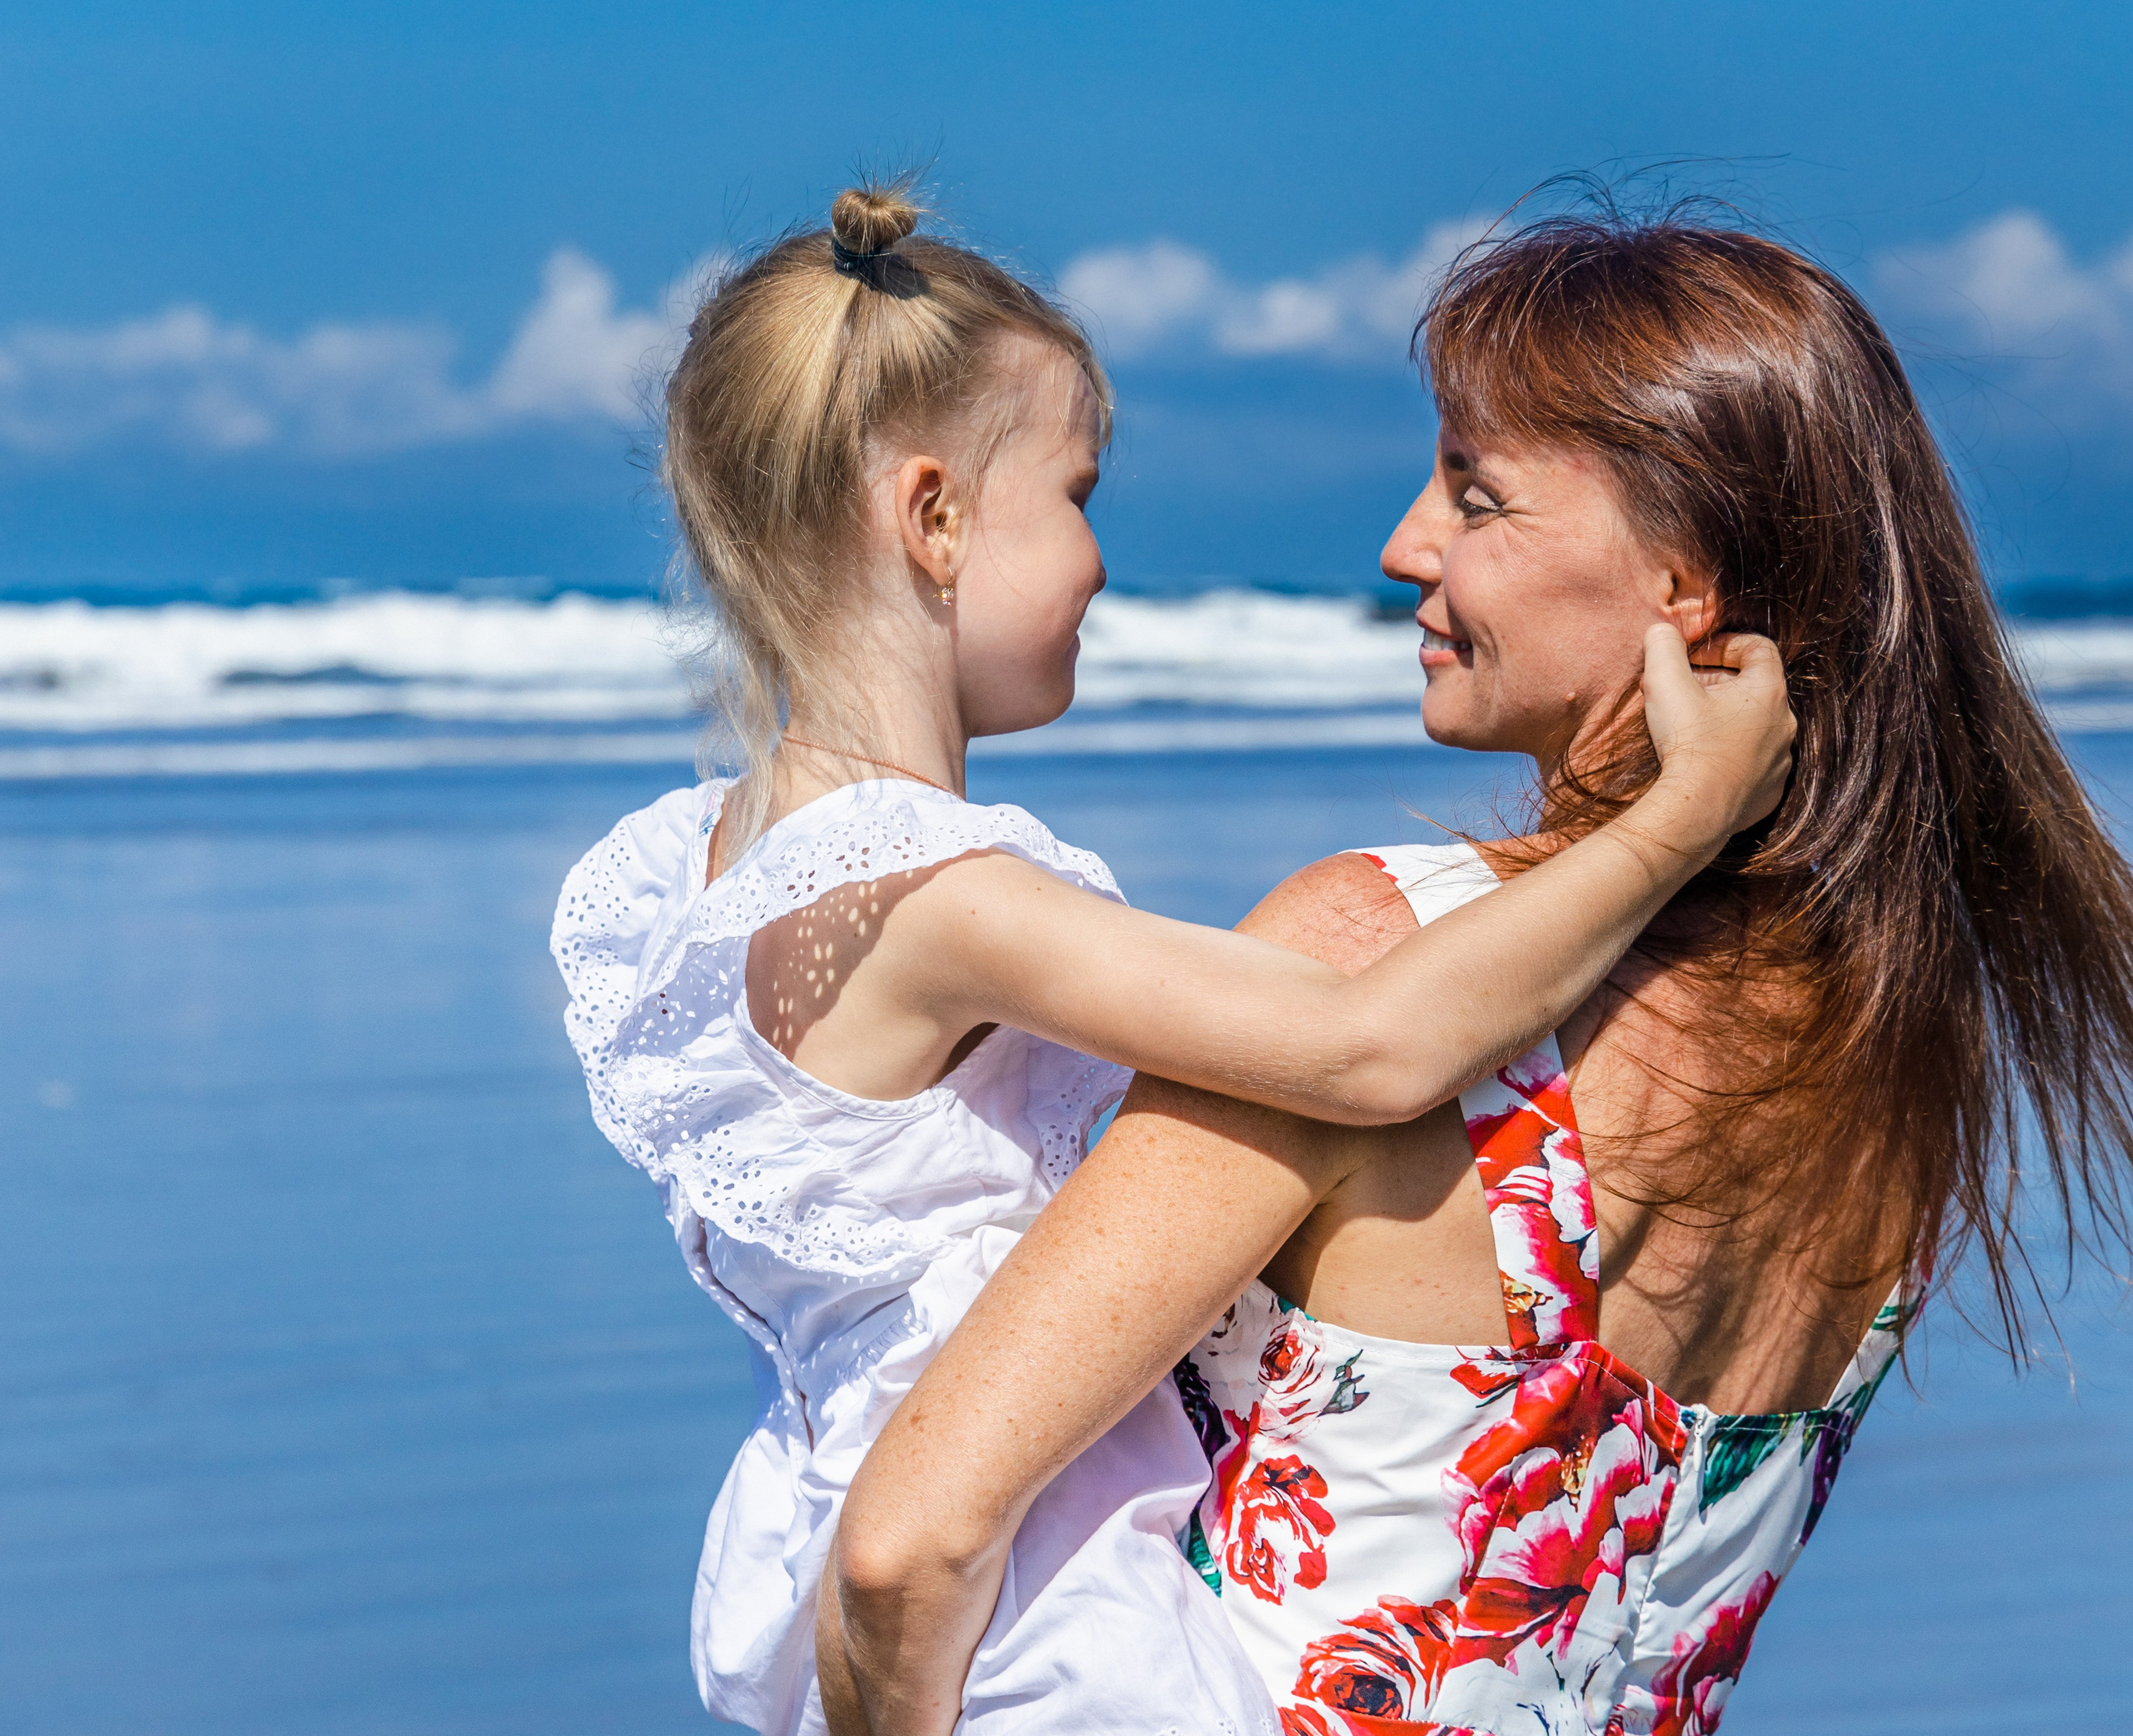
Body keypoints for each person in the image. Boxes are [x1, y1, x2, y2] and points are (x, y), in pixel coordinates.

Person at [822, 212, 2133, 1736]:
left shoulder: (1380, 956)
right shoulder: (1910, 1035)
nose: (1405, 546)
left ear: (1684, 581)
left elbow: (907, 1546)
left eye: (1477, 493)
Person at [550, 185, 1796, 1736]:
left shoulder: (713, 868)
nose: (1096, 562)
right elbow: (1369, 1044)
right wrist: (1679, 824)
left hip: (835, 1536)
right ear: (932, 517)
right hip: (1020, 1587)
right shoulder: (944, 898)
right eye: (1078, 496)